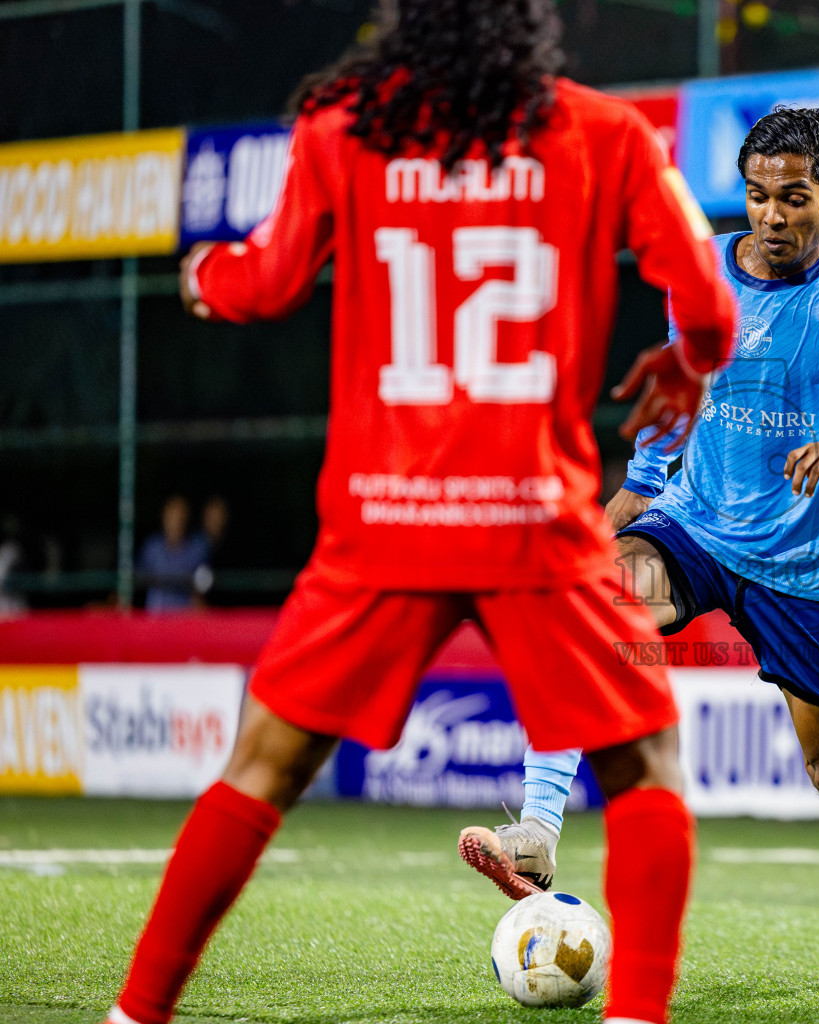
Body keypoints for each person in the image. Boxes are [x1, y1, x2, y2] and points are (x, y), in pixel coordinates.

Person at [107, 4, 735, 1024]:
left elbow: (263, 284)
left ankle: (134, 1014)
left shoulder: (345, 125)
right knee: (646, 764)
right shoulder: (607, 131)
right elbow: (707, 307)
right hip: (535, 516)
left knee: (263, 765)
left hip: (382, 520)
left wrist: (202, 278)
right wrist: (687, 363)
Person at [487, 107, 819, 986]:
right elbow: (683, 387)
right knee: (593, 613)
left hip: (798, 566)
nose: (773, 215)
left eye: (796, 199)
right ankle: (538, 834)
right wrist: (631, 494)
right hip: (693, 523)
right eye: (759, 195)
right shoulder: (699, 269)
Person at [136, 495, 212, 612]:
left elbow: (202, 588)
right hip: (155, 618)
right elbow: (136, 576)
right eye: (171, 516)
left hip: (183, 619)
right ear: (164, 517)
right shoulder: (152, 548)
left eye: (180, 517)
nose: (175, 522)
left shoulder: (197, 550)